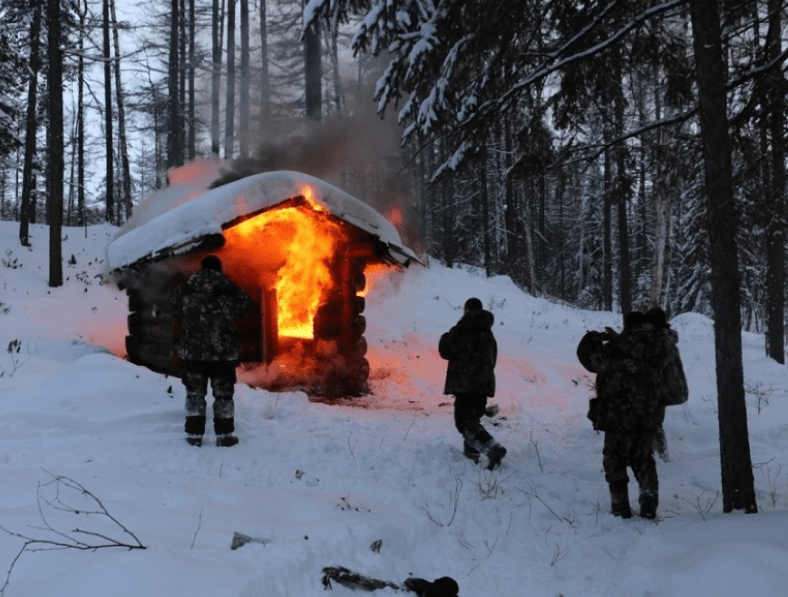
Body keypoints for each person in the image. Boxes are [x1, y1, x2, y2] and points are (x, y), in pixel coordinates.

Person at [576, 311, 664, 519]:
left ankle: (620, 504)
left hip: (617, 415)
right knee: (643, 458)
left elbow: (589, 359)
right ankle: (648, 496)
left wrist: (595, 337)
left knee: (615, 459)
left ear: (626, 326)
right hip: (646, 414)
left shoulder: (613, 349)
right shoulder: (656, 348)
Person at [171, 255, 252, 447]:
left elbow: (174, 308)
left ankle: (194, 436)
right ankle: (224, 436)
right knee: (223, 394)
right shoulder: (229, 288)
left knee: (194, 394)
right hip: (221, 353)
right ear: (219, 269)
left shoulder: (185, 288)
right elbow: (246, 307)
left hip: (193, 352)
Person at [439, 297, 506, 470]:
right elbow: (492, 359)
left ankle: (492, 448)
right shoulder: (488, 333)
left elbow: (445, 351)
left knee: (463, 423)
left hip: (465, 384)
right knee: (472, 421)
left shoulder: (462, 329)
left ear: (466, 310)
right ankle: (471, 457)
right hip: (483, 386)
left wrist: (445, 337)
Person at [645, 307, 688, 461]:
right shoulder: (664, 338)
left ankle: (661, 457)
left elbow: (658, 365)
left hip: (660, 388)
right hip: (662, 388)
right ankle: (661, 456)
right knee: (654, 423)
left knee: (652, 424)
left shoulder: (663, 340)